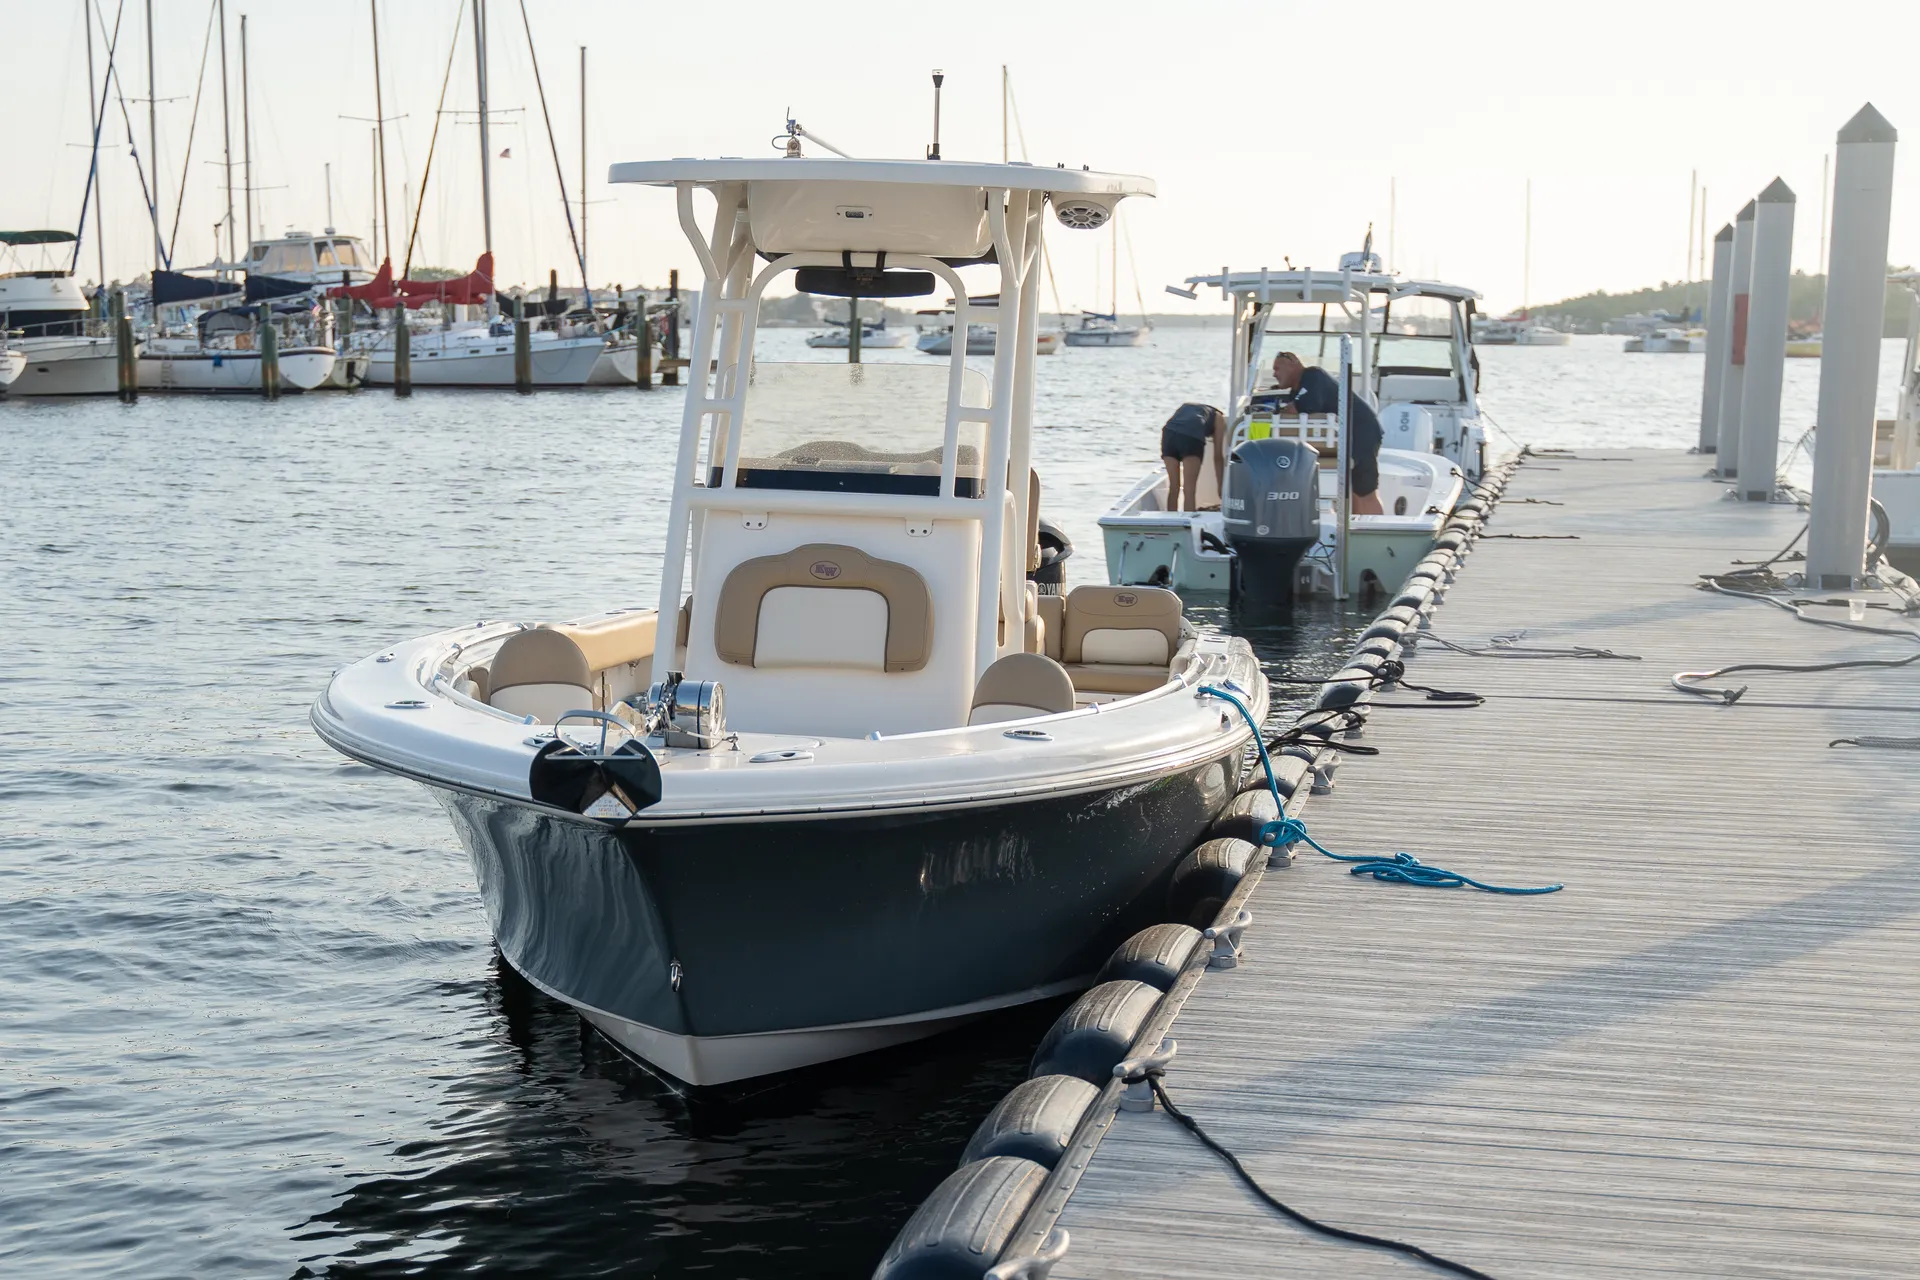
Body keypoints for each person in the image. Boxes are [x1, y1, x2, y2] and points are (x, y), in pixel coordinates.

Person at [1270, 351, 1384, 514]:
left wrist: (1291, 408)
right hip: (1345, 437)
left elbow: (1309, 404)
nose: (1274, 374)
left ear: (1293, 362)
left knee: (1365, 492)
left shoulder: (1313, 375)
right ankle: (1356, 529)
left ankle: (1376, 531)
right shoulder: (1295, 392)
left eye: (1277, 368)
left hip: (1361, 432)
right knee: (1355, 491)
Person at [1158, 402, 1226, 512]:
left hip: (1169, 433)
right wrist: (1221, 487)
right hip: (1192, 436)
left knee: (1174, 487)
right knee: (1189, 490)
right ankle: (1187, 525)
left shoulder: (1188, 407)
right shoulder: (1219, 417)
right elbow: (1218, 457)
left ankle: (1171, 523)